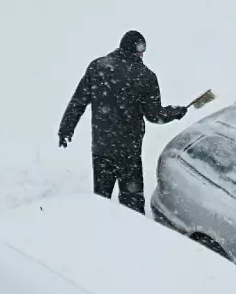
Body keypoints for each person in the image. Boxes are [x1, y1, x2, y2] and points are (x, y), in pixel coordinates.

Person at [58, 30, 188, 214]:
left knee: (100, 200)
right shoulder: (145, 76)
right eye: (141, 49)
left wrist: (66, 128)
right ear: (136, 50)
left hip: (102, 149)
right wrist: (175, 112)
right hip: (129, 152)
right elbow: (154, 115)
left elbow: (78, 101)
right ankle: (132, 238)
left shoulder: (98, 67)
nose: (143, 53)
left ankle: (100, 231)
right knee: (132, 205)